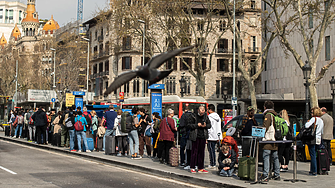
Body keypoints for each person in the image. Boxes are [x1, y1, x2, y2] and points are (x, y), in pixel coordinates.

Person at [187, 105, 211, 174]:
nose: (202, 113)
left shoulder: (206, 116)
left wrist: (205, 125)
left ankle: (200, 167)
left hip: (203, 136)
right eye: (201, 111)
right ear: (198, 110)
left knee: (202, 152)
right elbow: (189, 125)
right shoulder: (193, 116)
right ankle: (192, 167)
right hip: (195, 136)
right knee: (194, 152)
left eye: (203, 111)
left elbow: (209, 125)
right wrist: (197, 125)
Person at [260, 101, 280, 182]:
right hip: (275, 139)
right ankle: (277, 174)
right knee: (275, 157)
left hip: (268, 140)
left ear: (265, 107)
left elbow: (265, 127)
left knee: (266, 156)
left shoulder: (268, 115)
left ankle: (265, 174)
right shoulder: (276, 115)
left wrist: (261, 134)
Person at [305, 107, 324, 176]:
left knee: (312, 154)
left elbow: (306, 126)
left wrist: (308, 122)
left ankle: (314, 171)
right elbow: (322, 131)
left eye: (312, 112)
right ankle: (316, 169)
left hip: (313, 138)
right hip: (318, 138)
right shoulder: (321, 120)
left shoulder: (313, 119)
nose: (311, 113)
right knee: (315, 154)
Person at [207, 104, 222, 169]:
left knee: (211, 150)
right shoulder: (218, 117)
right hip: (217, 135)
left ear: (210, 110)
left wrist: (207, 135)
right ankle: (215, 163)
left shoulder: (209, 117)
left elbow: (209, 127)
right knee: (215, 150)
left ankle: (212, 163)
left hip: (211, 136)